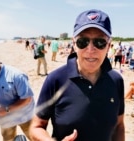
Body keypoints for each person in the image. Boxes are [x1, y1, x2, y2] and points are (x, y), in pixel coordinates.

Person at [29, 9, 125, 141]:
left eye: (100, 42)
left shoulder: (116, 80)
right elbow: (36, 127)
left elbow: (119, 125)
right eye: (83, 42)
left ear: (109, 45)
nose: (90, 50)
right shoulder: (55, 79)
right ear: (74, 44)